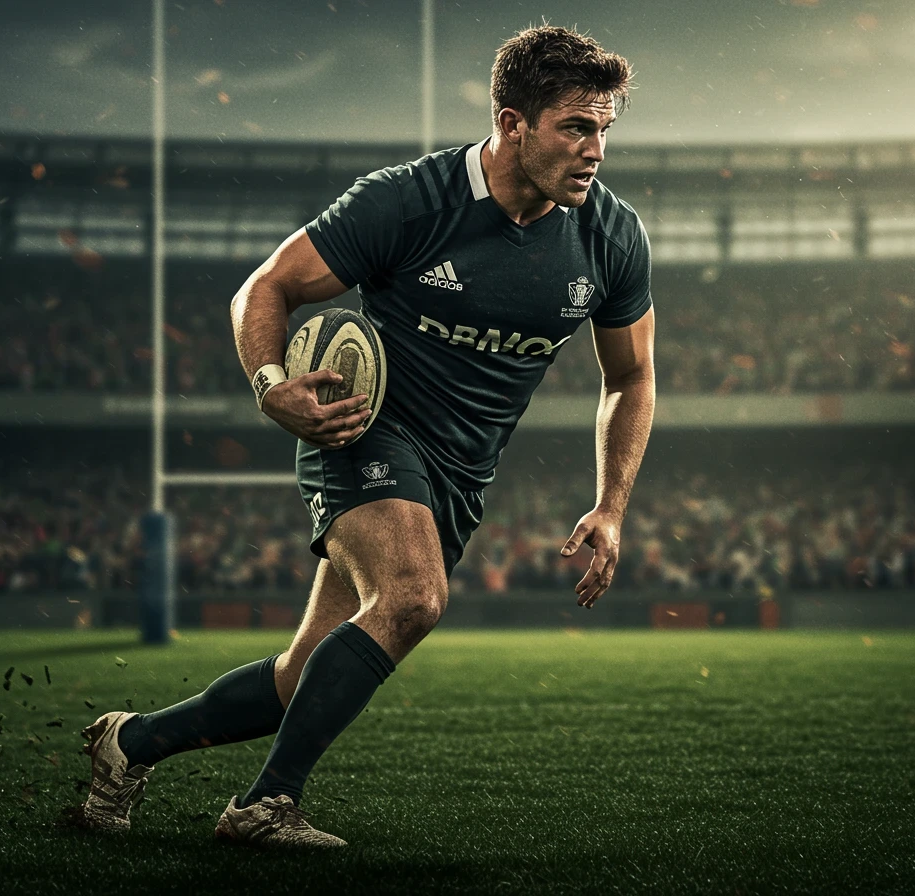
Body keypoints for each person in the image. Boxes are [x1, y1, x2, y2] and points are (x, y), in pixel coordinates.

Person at [77, 24, 655, 848]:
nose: (595, 149)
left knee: (301, 676)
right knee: (414, 598)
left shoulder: (611, 235)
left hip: (461, 471)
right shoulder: (408, 201)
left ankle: (130, 743)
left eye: (604, 128)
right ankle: (265, 806)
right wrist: (270, 385)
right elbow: (266, 287)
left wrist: (611, 505)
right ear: (512, 122)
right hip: (364, 429)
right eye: (576, 127)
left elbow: (631, 377)